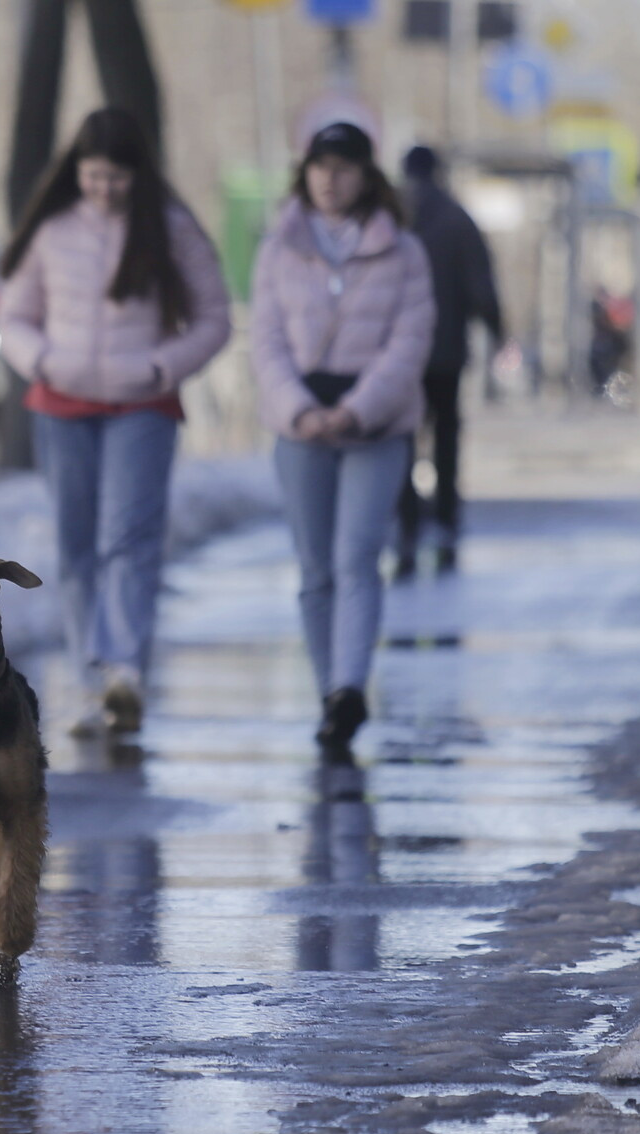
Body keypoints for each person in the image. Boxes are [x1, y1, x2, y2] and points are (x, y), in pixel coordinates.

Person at [0, 107, 232, 737]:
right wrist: (42, 360)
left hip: (142, 407)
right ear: (78, 171)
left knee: (128, 538)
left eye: (117, 178)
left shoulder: (172, 229)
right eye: (94, 176)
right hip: (62, 404)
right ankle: (91, 679)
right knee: (76, 546)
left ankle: (124, 670)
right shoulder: (52, 228)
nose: (105, 189)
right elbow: (12, 315)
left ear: (138, 174)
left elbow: (214, 319)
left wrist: (161, 367)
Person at [250, 121, 434, 762]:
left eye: (345, 167)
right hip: (300, 428)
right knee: (315, 569)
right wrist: (300, 410)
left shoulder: (403, 250)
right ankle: (330, 691)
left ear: (367, 175)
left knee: (358, 557)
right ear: (305, 172)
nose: (331, 179)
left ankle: (350, 688)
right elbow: (265, 340)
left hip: (375, 427)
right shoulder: (279, 248)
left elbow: (410, 344)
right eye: (320, 166)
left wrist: (355, 410)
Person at [394, 145, 502, 577]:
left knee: (401, 434)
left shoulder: (391, 218)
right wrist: (495, 327)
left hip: (399, 353)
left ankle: (406, 517)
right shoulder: (457, 218)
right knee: (445, 434)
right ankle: (445, 516)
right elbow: (479, 281)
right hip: (445, 349)